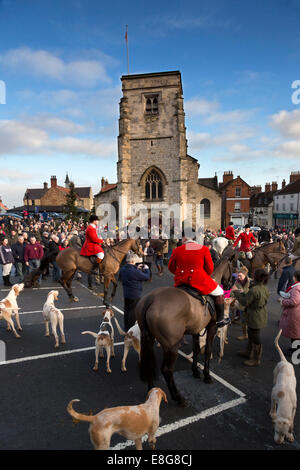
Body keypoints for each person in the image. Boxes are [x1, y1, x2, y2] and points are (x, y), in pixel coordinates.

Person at [168, 233, 230, 328]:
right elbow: (210, 269)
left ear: (184, 238)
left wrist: (180, 274)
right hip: (199, 280)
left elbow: (171, 267)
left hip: (181, 281)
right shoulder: (204, 249)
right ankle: (220, 320)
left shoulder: (177, 250)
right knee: (220, 292)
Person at [232, 269, 269, 366]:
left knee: (255, 337)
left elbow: (244, 302)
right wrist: (244, 293)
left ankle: (256, 359)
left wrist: (236, 292)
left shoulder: (254, 289)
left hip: (255, 315)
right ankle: (249, 352)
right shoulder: (263, 287)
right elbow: (253, 297)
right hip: (259, 313)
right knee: (251, 333)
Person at [118, 253, 150, 331]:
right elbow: (146, 277)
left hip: (126, 293)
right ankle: (130, 329)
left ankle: (126, 327)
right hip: (135, 294)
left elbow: (120, 278)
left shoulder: (123, 268)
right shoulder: (134, 271)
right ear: (132, 260)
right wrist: (147, 269)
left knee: (127, 311)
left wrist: (136, 267)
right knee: (133, 313)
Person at [278, 271, 300, 356]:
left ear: (295, 277)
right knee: (296, 332)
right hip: (297, 312)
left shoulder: (296, 288)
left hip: (295, 313)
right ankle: (295, 348)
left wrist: (283, 301)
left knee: (295, 333)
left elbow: (294, 301)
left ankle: (295, 350)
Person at [230, 266, 251, 340]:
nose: (238, 277)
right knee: (243, 321)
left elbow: (252, 293)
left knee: (250, 322)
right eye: (238, 275)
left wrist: (242, 291)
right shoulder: (237, 282)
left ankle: (251, 336)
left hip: (249, 305)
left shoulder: (250, 282)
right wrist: (232, 296)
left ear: (245, 275)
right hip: (241, 305)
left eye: (240, 275)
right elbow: (232, 291)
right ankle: (245, 335)